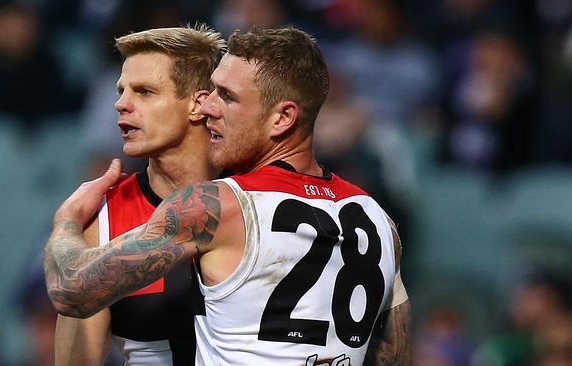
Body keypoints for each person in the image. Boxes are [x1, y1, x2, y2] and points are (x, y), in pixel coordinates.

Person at [44, 26, 411, 365]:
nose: (210, 107)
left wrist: (66, 222)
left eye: (145, 92)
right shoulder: (378, 220)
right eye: (120, 90)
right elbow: (393, 353)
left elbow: (70, 288)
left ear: (283, 118)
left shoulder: (219, 208)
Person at [52, 25, 226, 365]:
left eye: (144, 92)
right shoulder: (100, 217)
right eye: (121, 91)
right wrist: (68, 226)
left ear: (198, 104)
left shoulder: (258, 198)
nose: (120, 104)